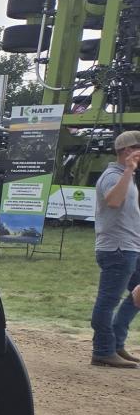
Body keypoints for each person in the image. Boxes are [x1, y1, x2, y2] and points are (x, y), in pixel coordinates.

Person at [90, 131, 140, 367]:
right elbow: (113, 201)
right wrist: (129, 170)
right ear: (127, 151)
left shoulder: (126, 177)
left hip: (130, 247)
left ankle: (116, 344)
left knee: (138, 293)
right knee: (107, 301)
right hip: (117, 249)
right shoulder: (113, 175)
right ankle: (102, 350)